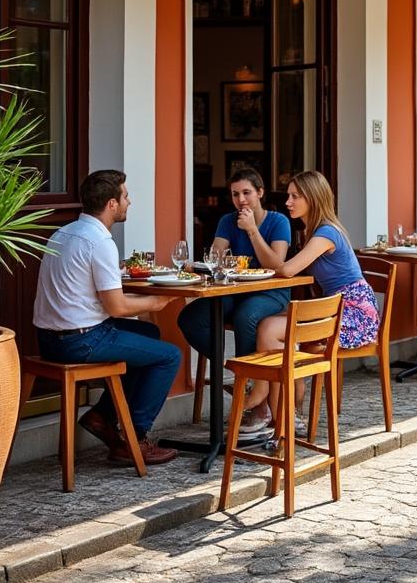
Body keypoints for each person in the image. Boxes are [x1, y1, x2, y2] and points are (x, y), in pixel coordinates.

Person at [32, 170, 181, 465]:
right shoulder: (99, 242)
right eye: (125, 196)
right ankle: (133, 437)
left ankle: (103, 416)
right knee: (169, 356)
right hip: (80, 341)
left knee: (148, 337)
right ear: (111, 204)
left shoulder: (63, 233)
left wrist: (152, 301)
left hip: (49, 339)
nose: (129, 201)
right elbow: (115, 307)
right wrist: (158, 301)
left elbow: (106, 301)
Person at [238, 171, 380, 436]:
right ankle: (284, 414)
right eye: (289, 196)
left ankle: (272, 404)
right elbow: (281, 267)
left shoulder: (325, 233)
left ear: (313, 199)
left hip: (353, 313)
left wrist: (254, 232)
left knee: (271, 329)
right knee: (274, 329)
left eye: (295, 196)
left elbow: (287, 270)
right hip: (335, 307)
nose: (288, 202)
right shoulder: (314, 231)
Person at [177, 168, 291, 371]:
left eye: (246, 192)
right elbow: (216, 257)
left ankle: (246, 381)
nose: (241, 199)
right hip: (234, 291)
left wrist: (252, 230)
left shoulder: (278, 221)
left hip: (270, 291)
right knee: (191, 318)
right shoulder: (227, 221)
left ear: (260, 193)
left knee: (245, 316)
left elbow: (276, 264)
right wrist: (203, 266)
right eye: (235, 194)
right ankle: (226, 366)